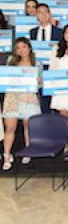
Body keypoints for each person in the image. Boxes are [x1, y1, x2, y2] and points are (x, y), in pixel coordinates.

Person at [2, 38, 41, 171]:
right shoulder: (10, 63)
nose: (21, 50)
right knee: (10, 128)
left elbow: (41, 84)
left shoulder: (37, 63)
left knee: (28, 127)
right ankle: (6, 156)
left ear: (29, 48)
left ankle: (28, 151)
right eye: (18, 48)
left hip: (29, 98)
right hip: (12, 97)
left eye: (24, 47)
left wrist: (38, 81)